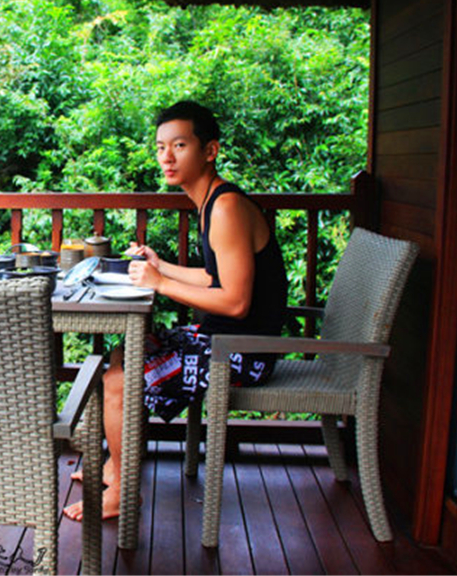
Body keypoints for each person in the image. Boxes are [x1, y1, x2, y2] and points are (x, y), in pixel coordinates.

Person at [63, 100, 288, 521]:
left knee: (118, 379)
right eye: (161, 147)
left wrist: (161, 284)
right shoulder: (210, 203)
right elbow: (215, 278)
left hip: (242, 352)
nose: (167, 157)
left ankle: (123, 494)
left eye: (179, 145)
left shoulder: (225, 207)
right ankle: (116, 465)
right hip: (221, 340)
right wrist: (160, 265)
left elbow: (236, 302)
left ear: (210, 150)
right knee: (118, 356)